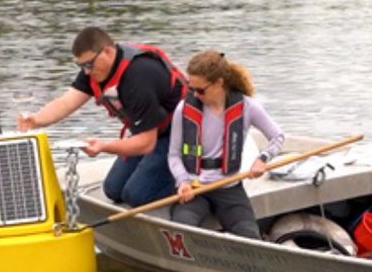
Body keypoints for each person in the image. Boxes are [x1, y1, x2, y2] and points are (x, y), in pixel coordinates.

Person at [15, 27, 186, 207]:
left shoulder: (138, 77)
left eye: (89, 65)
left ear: (107, 52)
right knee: (112, 189)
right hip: (150, 131)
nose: (86, 72)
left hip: (178, 135)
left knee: (135, 195)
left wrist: (104, 146)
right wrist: (36, 120)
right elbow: (66, 102)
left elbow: (146, 143)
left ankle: (183, 181)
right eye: (81, 66)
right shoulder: (93, 70)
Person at [168, 50, 285, 240]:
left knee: (250, 236)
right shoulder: (184, 109)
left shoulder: (248, 107)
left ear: (218, 83)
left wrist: (262, 159)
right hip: (195, 189)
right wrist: (182, 181)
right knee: (181, 231)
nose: (195, 95)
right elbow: (174, 155)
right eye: (192, 89)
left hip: (229, 187)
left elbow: (277, 137)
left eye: (200, 90)